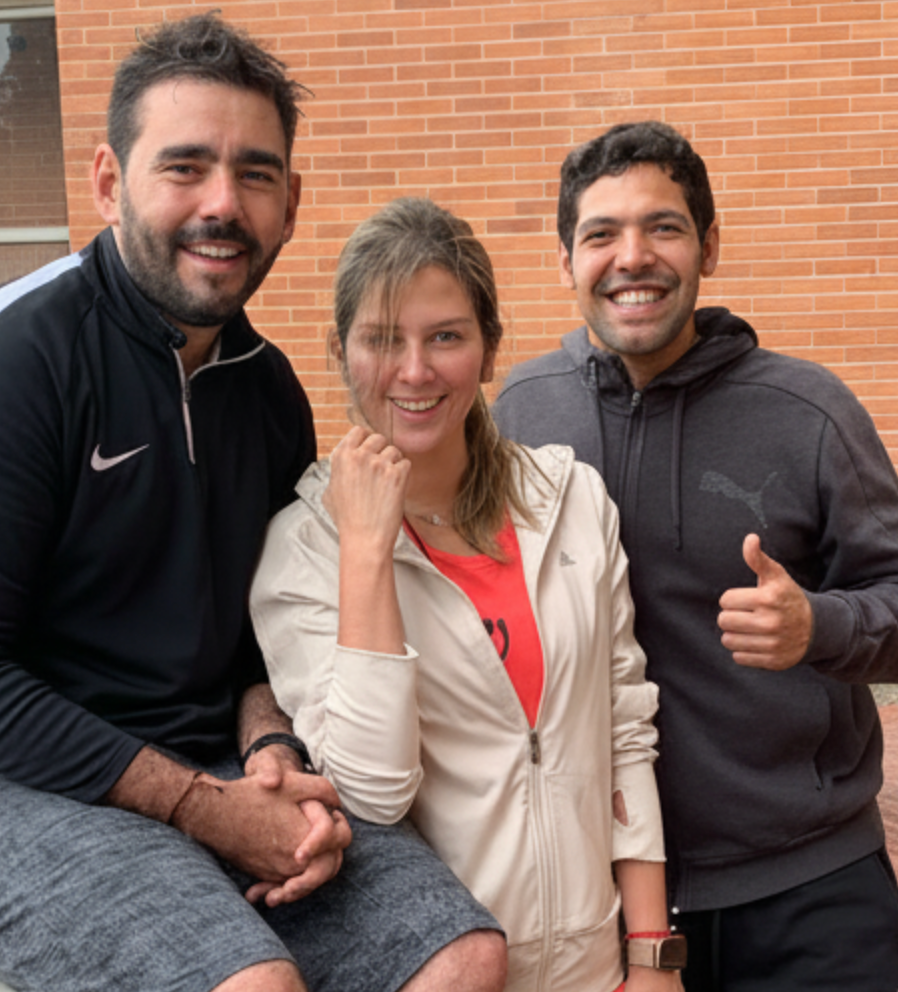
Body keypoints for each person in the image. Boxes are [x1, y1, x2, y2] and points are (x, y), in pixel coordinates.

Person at [0, 16, 505, 992]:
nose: (223, 203)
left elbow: (258, 642)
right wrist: (205, 807)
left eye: (254, 174)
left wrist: (271, 755)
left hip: (205, 764)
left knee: (465, 957)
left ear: (292, 202)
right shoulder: (5, 356)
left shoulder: (268, 389)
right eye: (185, 167)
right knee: (251, 982)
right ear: (106, 179)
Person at [493, 121, 898, 992]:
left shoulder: (807, 411)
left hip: (807, 879)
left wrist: (820, 623)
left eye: (663, 227)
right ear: (565, 262)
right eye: (600, 234)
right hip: (595, 891)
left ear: (709, 243)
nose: (633, 257)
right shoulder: (520, 412)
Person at [249, 197, 685, 992]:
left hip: (595, 966)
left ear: (488, 350)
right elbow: (374, 789)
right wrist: (367, 552)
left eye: (445, 336)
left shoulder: (570, 500)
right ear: (343, 354)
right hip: (449, 968)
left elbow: (625, 727)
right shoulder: (304, 548)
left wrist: (651, 954)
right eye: (383, 340)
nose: (414, 371)